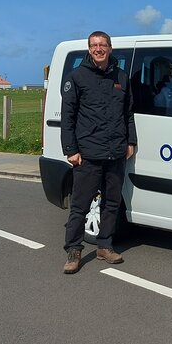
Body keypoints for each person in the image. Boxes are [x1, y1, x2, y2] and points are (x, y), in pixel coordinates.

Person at [61, 31, 137, 274]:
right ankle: (73, 250)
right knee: (81, 206)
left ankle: (105, 245)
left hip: (115, 152)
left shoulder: (121, 77)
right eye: (94, 45)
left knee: (112, 203)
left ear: (110, 48)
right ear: (89, 48)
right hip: (89, 154)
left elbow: (128, 113)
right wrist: (71, 150)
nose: (98, 49)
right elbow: (68, 117)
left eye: (102, 45)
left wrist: (130, 141)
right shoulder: (78, 77)